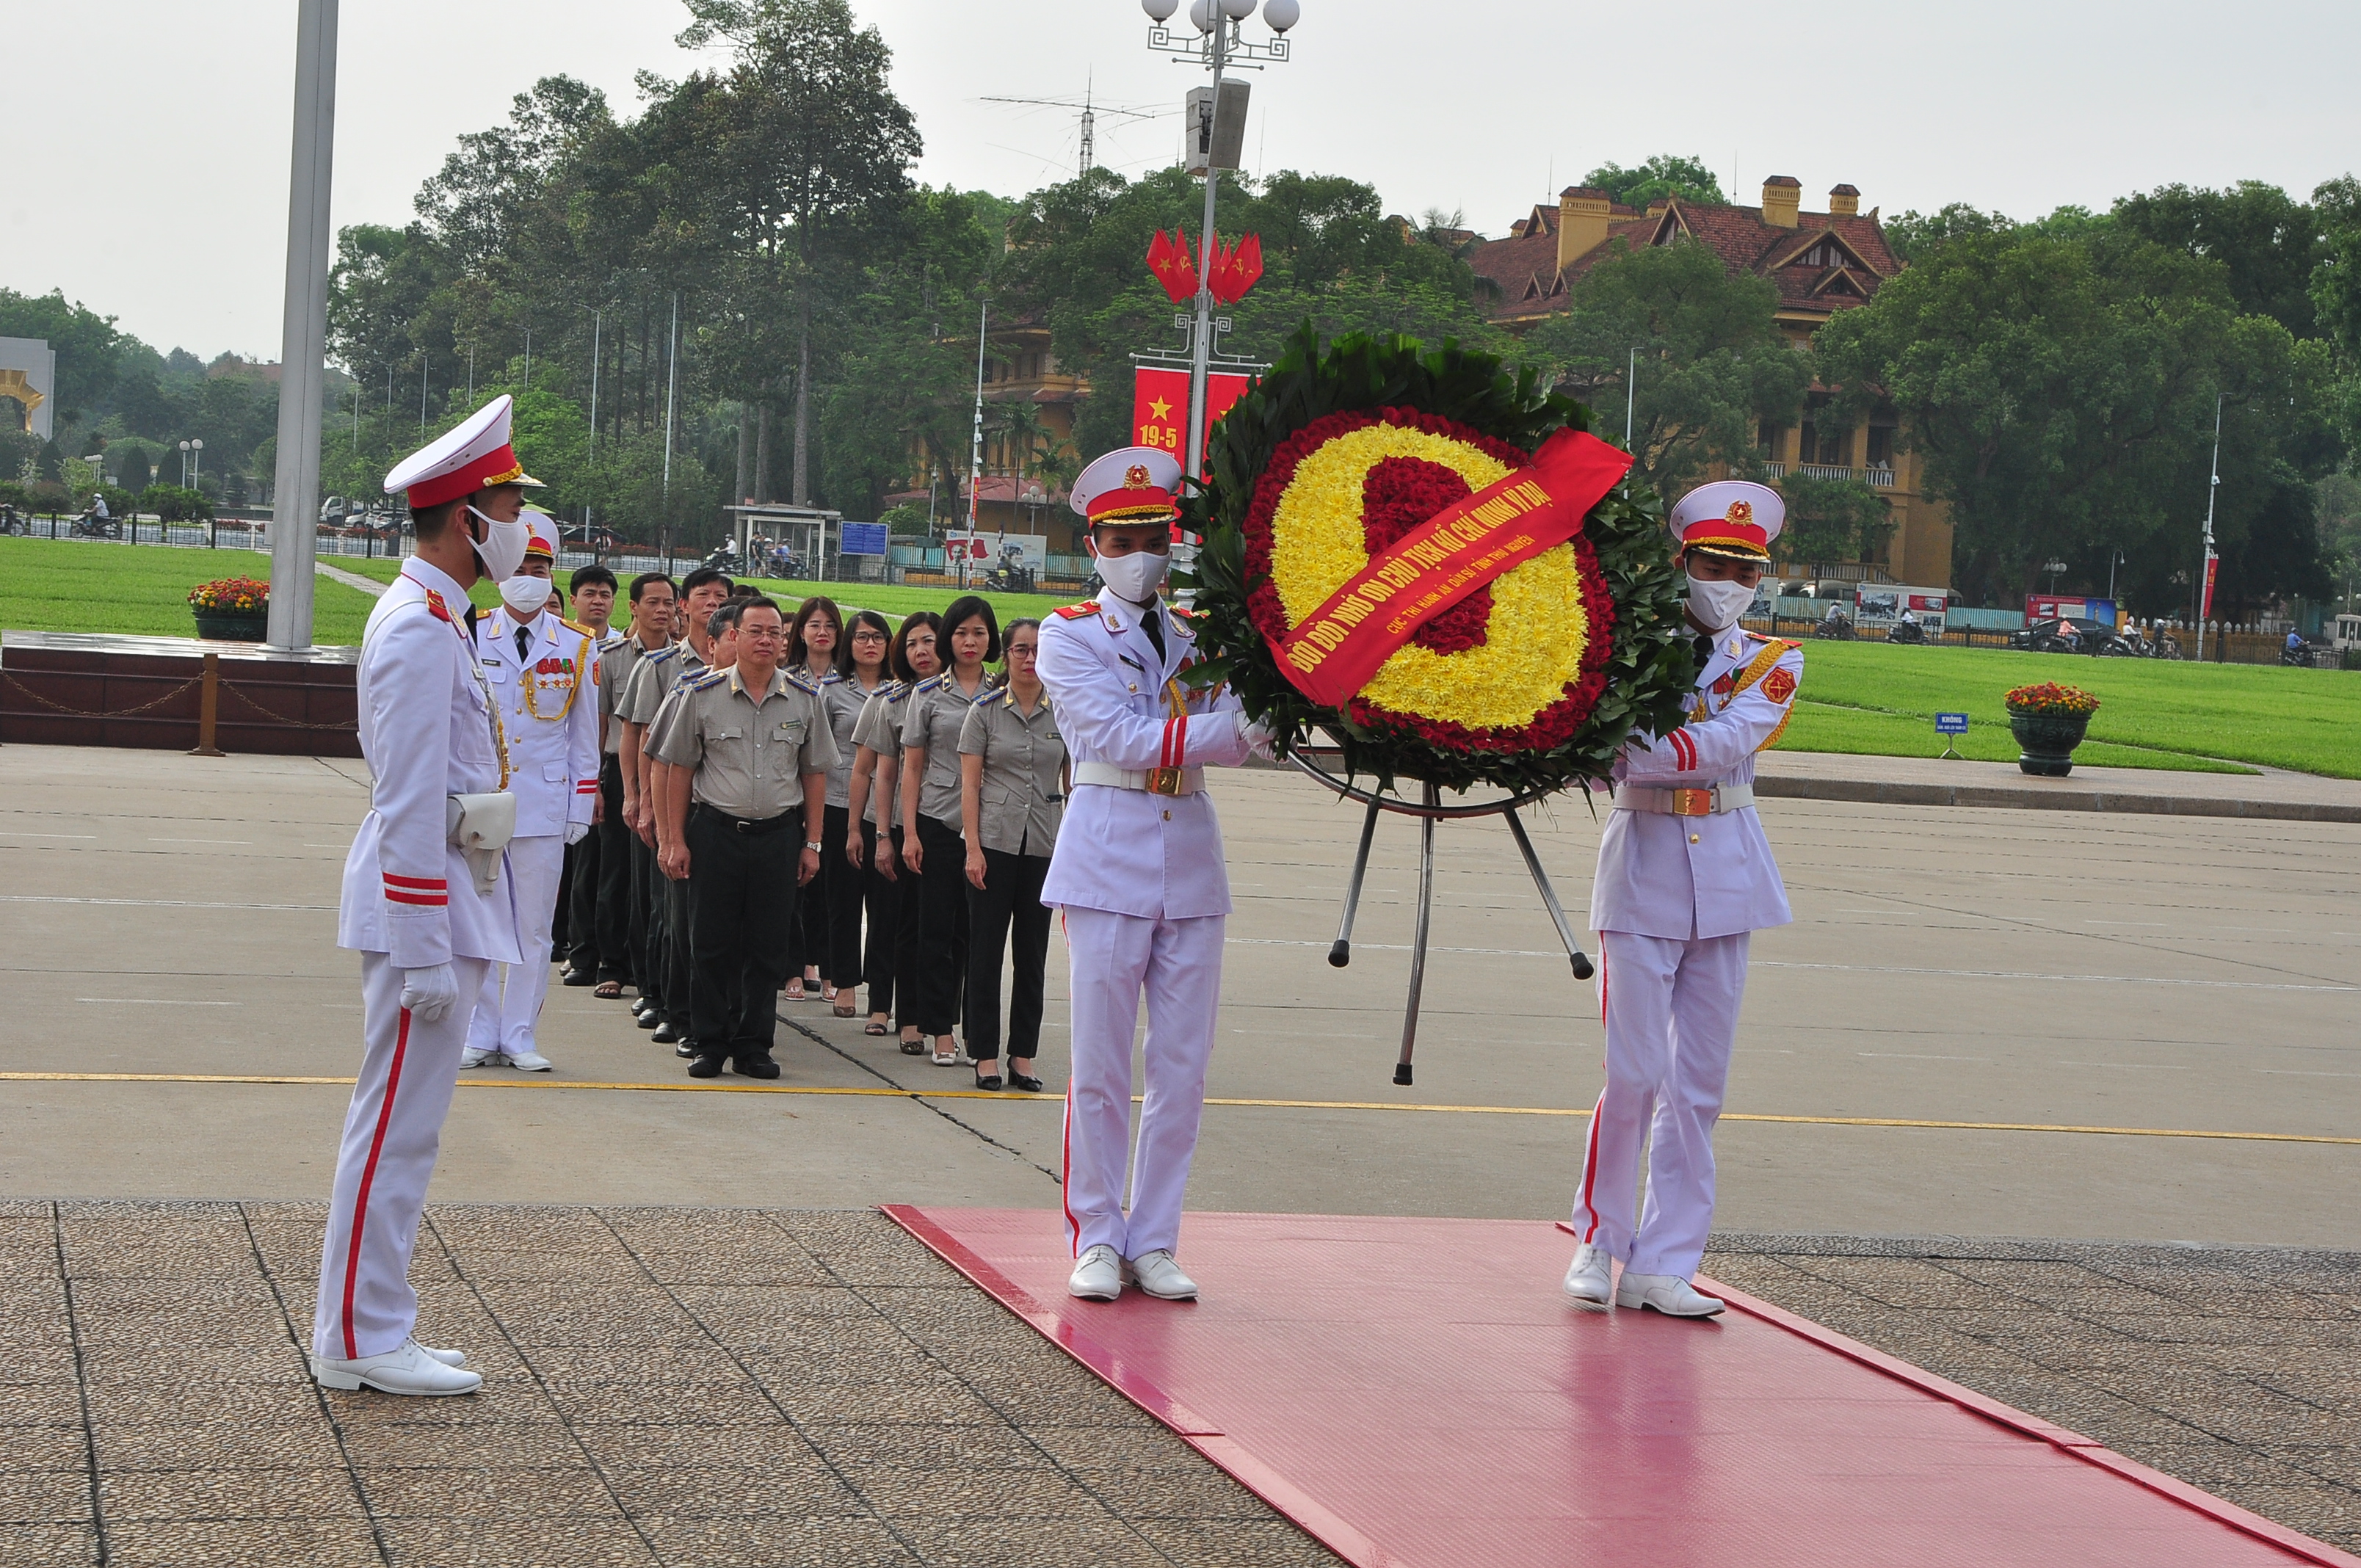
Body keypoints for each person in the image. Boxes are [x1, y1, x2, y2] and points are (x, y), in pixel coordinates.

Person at [312, 394, 540, 1396]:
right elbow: (407, 798)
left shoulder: (441, 616)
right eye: (511, 508)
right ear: (467, 519)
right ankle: (358, 1336)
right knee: (393, 1131)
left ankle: (375, 1320)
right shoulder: (416, 626)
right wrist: (421, 948)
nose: (523, 527)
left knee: (409, 1130)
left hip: (449, 890)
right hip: (426, 900)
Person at [1563, 479, 1803, 1319]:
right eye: (1713, 565)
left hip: (1729, 878)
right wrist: (1628, 750)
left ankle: (1667, 1262)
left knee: (1699, 1085)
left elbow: (1713, 745)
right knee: (1632, 1075)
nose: (1729, 582)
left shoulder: (1773, 660)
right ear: (1682, 562)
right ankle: (1600, 1240)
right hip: (1643, 872)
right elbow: (1605, 749)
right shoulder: (1625, 647)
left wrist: (1637, 749)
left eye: (1746, 569)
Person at [1039, 446, 1272, 1305]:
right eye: (1121, 540)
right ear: (1093, 546)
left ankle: (1157, 1237)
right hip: (1106, 859)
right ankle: (1098, 1234)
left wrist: (1270, 708)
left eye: (1152, 539)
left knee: (1182, 1068)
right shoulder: (1067, 635)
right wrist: (1237, 729)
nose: (1140, 555)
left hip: (1192, 861)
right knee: (1099, 1066)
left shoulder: (1200, 636)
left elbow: (1250, 731)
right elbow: (1117, 740)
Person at [650, 596, 835, 1078]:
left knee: (767, 946)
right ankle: (709, 1042)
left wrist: (813, 843)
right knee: (709, 944)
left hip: (778, 837)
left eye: (775, 633)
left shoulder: (804, 698)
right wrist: (673, 840)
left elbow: (814, 774)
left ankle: (754, 1045)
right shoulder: (702, 694)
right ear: (734, 636)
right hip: (716, 832)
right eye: (756, 631)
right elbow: (678, 771)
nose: (766, 640)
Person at [459, 525, 598, 1072]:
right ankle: (480, 1031)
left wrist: (579, 808)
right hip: (483, 801)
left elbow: (584, 737)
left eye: (539, 571)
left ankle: (519, 1034)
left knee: (534, 928)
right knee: (477, 921)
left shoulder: (576, 644)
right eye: (519, 570)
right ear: (499, 576)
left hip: (543, 803)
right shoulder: (473, 632)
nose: (529, 580)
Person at [617, 566, 733, 1049]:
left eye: (721, 595)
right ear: (685, 605)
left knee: (705, 919)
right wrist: (638, 798)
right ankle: (662, 999)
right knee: (666, 910)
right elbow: (639, 737)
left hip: (719, 807)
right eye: (703, 594)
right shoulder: (663, 666)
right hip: (668, 802)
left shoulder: (749, 666)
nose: (712, 602)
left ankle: (705, 1008)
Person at [959, 617, 1064, 1092]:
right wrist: (973, 849)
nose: (1030, 658)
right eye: (1021, 649)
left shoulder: (1064, 711)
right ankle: (984, 1053)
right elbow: (970, 786)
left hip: (1043, 844)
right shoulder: (983, 712)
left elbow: (1074, 783)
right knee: (985, 953)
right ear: (1006, 655)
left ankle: (1023, 1054)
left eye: (1038, 650)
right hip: (994, 845)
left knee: (1032, 954)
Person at [901, 596, 998, 1066]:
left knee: (974, 934)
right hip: (939, 820)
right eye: (961, 633)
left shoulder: (1003, 691)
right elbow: (911, 767)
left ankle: (972, 1028)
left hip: (990, 826)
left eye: (979, 632)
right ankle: (939, 1028)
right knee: (936, 930)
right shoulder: (927, 695)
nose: (970, 642)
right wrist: (909, 833)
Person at [846, 613, 938, 1046]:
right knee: (887, 918)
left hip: (943, 824)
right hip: (895, 824)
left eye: (930, 641)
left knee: (929, 925)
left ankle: (920, 1013)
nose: (922, 651)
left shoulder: (971, 700)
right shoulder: (889, 700)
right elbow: (869, 771)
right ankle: (882, 1004)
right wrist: (871, 833)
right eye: (913, 643)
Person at [588, 573, 671, 1003]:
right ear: (633, 608)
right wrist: (596, 785)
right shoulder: (613, 658)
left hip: (668, 779)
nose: (662, 610)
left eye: (668, 603)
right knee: (616, 874)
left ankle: (647, 969)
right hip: (621, 773)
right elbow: (601, 725)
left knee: (654, 884)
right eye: (652, 602)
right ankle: (611, 965)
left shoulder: (686, 661)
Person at [557, 563, 623, 990]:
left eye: (605, 594)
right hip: (568, 768)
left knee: (610, 871)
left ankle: (611, 957)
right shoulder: (562, 643)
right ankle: (579, 951)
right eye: (589, 594)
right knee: (580, 868)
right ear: (574, 599)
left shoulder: (621, 648)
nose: (598, 601)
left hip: (610, 767)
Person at [781, 597, 845, 1006]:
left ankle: (825, 967)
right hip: (791, 795)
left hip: (837, 796)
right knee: (794, 889)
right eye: (814, 625)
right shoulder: (785, 678)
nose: (822, 633)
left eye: (830, 625)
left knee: (829, 891)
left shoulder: (848, 680)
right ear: (801, 632)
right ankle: (793, 967)